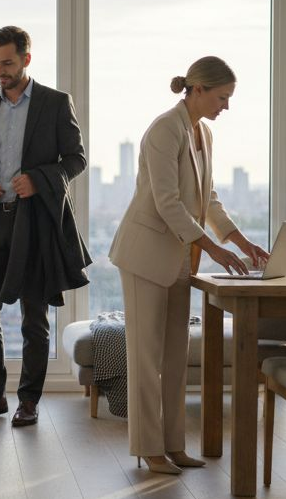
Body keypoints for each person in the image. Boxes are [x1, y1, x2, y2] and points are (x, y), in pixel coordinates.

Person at [108, 56, 270, 474]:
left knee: (175, 357)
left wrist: (241, 241)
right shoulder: (165, 129)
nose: (226, 106)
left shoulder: (203, 133)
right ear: (198, 90)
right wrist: (213, 249)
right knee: (146, 359)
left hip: (181, 255)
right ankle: (149, 449)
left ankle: (174, 445)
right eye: (222, 97)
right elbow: (168, 203)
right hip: (146, 254)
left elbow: (207, 198)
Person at [0, 25, 91, 428]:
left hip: (35, 223)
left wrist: (39, 179)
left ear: (26, 59)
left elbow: (76, 159)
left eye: (8, 63)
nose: (1, 71)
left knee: (34, 316)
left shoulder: (55, 103)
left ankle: (28, 401)